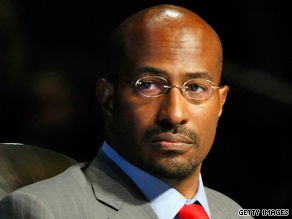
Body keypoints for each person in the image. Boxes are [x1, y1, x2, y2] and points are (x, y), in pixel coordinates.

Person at [0, 4, 253, 219]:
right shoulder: (44, 211)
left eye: (196, 87)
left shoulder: (235, 213)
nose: (174, 114)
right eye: (149, 85)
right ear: (108, 98)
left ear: (220, 102)